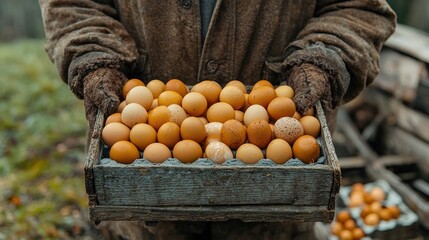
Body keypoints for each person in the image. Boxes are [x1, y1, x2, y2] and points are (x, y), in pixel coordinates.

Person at [39, 0, 396, 239]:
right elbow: (73, 4)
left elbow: (358, 7)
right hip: (143, 217)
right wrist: (94, 54)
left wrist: (324, 57)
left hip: (277, 214)